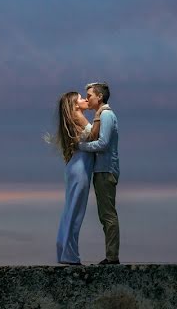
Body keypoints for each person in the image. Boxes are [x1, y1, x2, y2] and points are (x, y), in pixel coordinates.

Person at [78, 81, 120, 264]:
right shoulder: (100, 115)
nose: (87, 99)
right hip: (102, 170)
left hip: (106, 170)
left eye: (89, 96)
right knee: (105, 215)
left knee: (108, 215)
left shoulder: (107, 115)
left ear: (100, 96)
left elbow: (103, 144)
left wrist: (80, 146)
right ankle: (111, 256)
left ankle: (112, 258)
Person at [51, 91, 96, 265]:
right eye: (81, 98)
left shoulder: (73, 117)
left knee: (70, 210)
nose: (85, 99)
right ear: (76, 105)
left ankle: (63, 251)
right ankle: (70, 255)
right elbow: (96, 137)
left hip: (75, 166)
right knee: (76, 212)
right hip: (80, 168)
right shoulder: (79, 116)